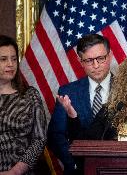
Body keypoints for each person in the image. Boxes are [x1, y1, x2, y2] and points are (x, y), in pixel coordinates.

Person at [47, 34, 113, 175]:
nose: (96, 66)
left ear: (110, 56)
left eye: (101, 58)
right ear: (80, 61)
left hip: (117, 169)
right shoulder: (67, 92)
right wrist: (76, 164)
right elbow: (56, 135)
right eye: (89, 60)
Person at [0, 35, 47, 175]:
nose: (10, 64)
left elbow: (40, 139)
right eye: (3, 59)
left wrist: (15, 171)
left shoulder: (30, 95)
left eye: (14, 59)